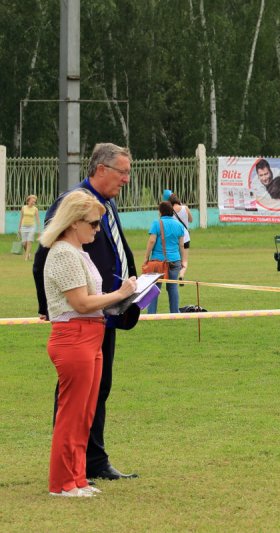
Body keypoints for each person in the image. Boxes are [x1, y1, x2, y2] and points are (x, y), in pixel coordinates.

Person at [33, 142, 140, 481]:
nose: (126, 179)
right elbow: (44, 257)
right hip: (81, 317)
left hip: (104, 314)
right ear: (101, 169)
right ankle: (71, 467)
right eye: (122, 172)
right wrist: (48, 307)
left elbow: (114, 251)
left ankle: (90, 462)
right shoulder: (75, 203)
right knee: (74, 397)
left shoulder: (105, 204)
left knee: (99, 388)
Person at [144, 202, 187, 314]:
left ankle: (151, 314)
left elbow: (152, 240)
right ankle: (174, 312)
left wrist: (146, 257)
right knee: (172, 287)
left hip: (158, 261)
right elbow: (182, 245)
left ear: (160, 212)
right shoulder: (179, 225)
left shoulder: (156, 223)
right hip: (175, 261)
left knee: (154, 288)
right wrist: (183, 260)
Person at [168, 192, 192, 261]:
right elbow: (190, 220)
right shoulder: (185, 208)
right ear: (178, 201)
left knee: (175, 261)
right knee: (184, 261)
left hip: (174, 238)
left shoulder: (169, 211)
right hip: (185, 238)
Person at [18, 194, 41, 260]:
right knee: (24, 243)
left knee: (29, 241)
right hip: (23, 226)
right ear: (28, 201)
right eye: (33, 201)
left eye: (35, 201)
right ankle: (28, 253)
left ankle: (26, 257)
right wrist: (19, 229)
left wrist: (39, 230)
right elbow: (21, 218)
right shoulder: (23, 208)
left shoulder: (35, 209)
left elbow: (38, 220)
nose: (34, 202)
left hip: (32, 227)